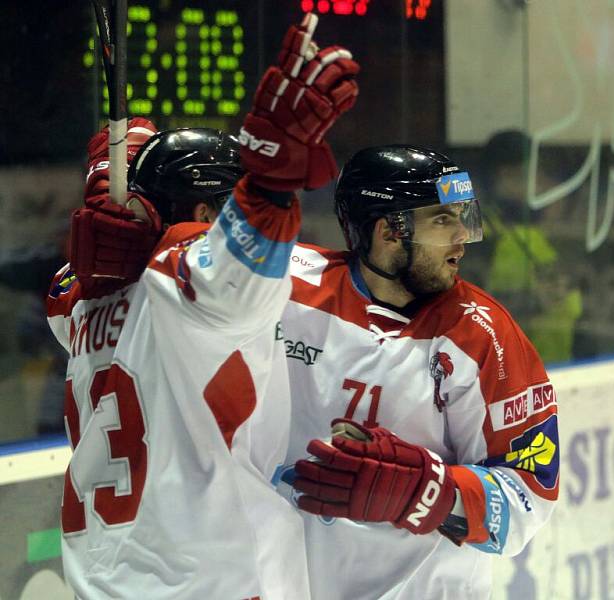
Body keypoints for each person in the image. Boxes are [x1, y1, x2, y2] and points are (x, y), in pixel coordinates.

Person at [46, 14, 358, 599]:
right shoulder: (186, 282)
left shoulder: (85, 299)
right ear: (210, 215)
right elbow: (231, 271)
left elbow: (65, 288)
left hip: (101, 578)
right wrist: (268, 185)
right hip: (211, 582)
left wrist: (111, 174)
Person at [280, 145, 560, 599]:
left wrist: (430, 492)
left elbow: (530, 497)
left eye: (461, 216)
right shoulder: (286, 289)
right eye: (442, 220)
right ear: (390, 230)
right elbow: (191, 266)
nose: (462, 238)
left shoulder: (485, 336)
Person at [473, 129, 583, 363]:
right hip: (515, 380)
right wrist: (532, 302)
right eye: (534, 174)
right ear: (506, 176)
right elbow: (468, 310)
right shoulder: (482, 235)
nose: (543, 184)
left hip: (558, 371)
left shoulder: (535, 232)